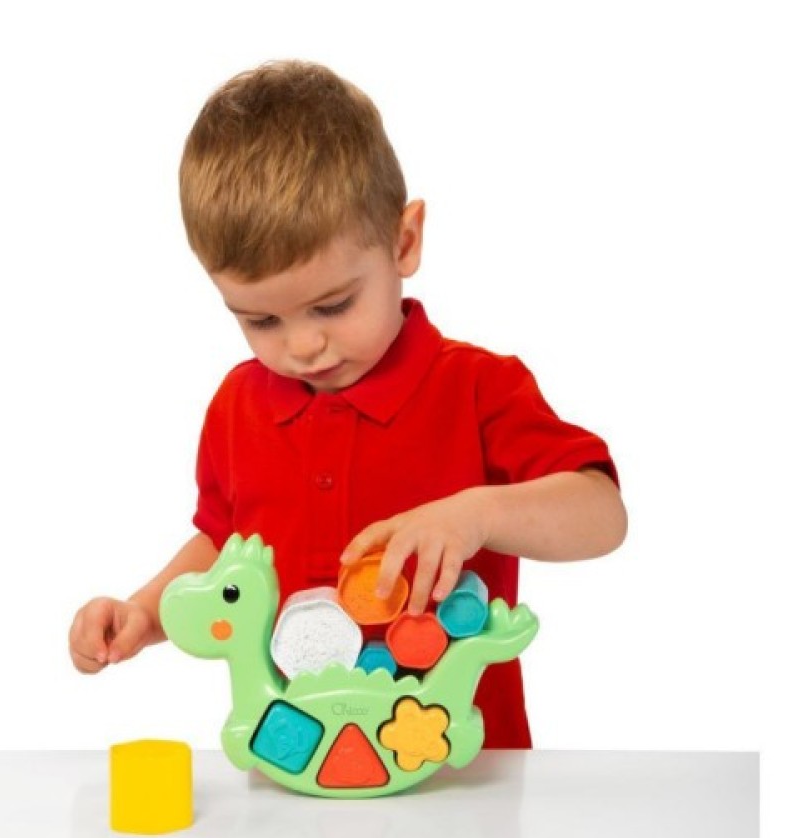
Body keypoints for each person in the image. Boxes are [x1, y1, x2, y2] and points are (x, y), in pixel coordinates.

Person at [68, 60, 627, 748]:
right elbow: (225, 548)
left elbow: (602, 515)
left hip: (463, 772)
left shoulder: (478, 387)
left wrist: (478, 513)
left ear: (404, 242)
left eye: (333, 305)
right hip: (294, 766)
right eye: (260, 320)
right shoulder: (238, 407)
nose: (302, 346)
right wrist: (145, 614)